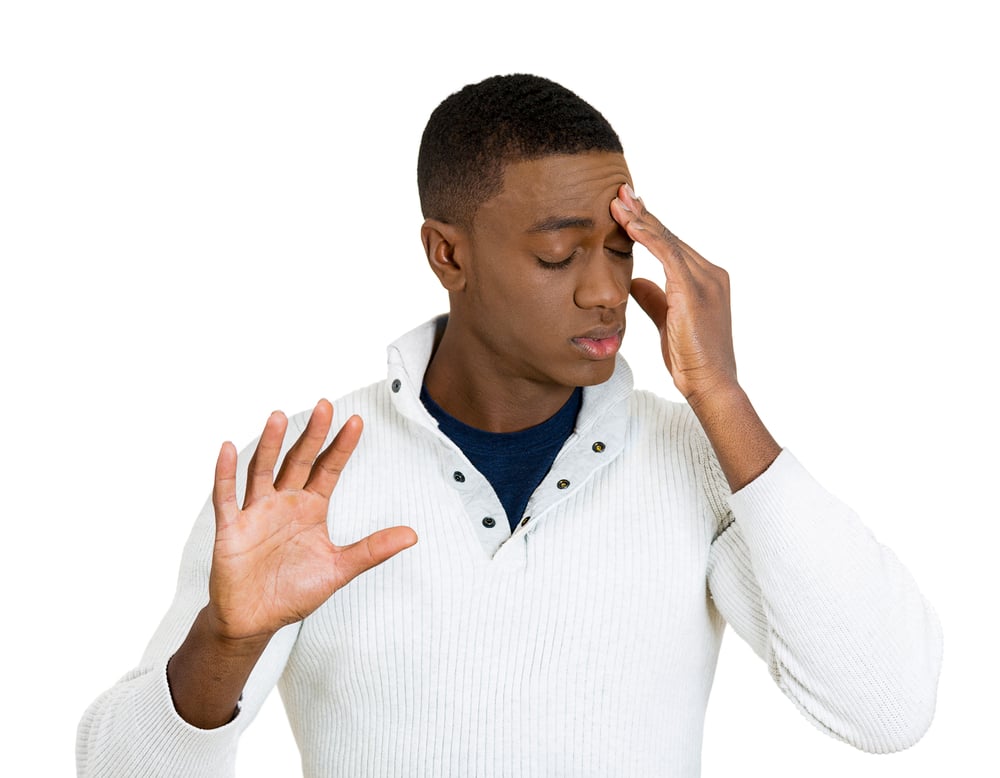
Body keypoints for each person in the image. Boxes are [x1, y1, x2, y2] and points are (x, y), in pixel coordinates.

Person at [77, 74, 942, 777]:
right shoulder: (310, 473)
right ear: (447, 255)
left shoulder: (699, 456)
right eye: (560, 255)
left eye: (619, 247)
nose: (605, 290)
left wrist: (720, 398)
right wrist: (229, 642)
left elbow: (890, 708)